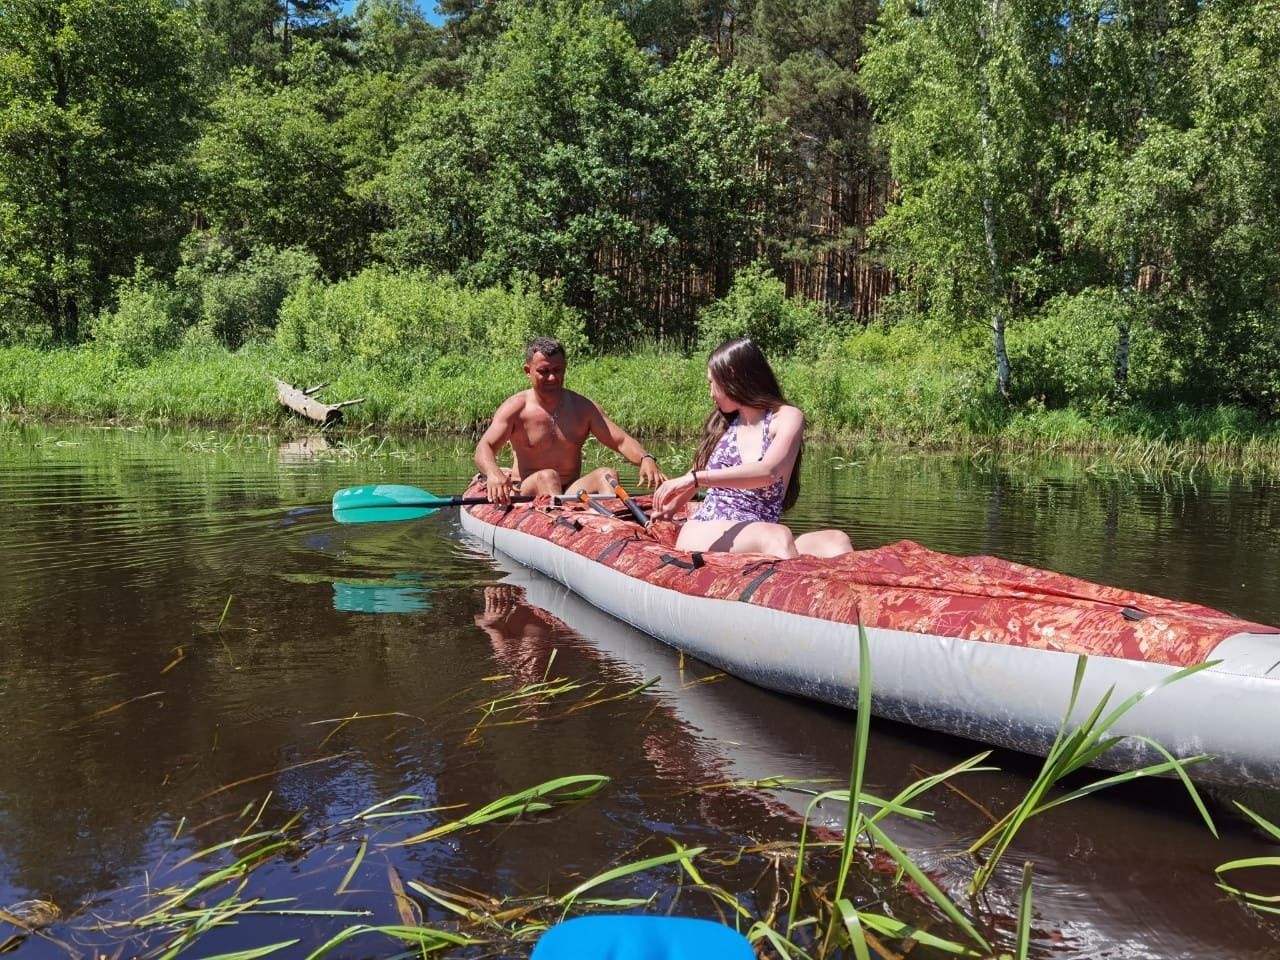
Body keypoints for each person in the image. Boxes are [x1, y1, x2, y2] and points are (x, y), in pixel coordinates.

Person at [650, 338, 853, 559]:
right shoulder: (722, 424)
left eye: (712, 383)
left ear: (731, 375)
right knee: (776, 536)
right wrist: (671, 507)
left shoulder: (787, 417)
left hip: (762, 529)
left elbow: (768, 471)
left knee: (836, 540)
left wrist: (697, 479)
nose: (711, 393)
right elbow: (696, 472)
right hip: (708, 527)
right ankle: (788, 577)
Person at [475, 336, 668, 505]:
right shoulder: (516, 408)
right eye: (543, 371)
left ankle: (610, 523)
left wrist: (646, 458)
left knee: (607, 475)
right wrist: (493, 472)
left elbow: (621, 441)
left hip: (571, 489)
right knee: (548, 476)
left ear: (565, 368)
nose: (552, 377)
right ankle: (558, 520)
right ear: (528, 371)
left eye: (557, 370)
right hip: (527, 489)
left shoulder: (583, 408)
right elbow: (485, 447)